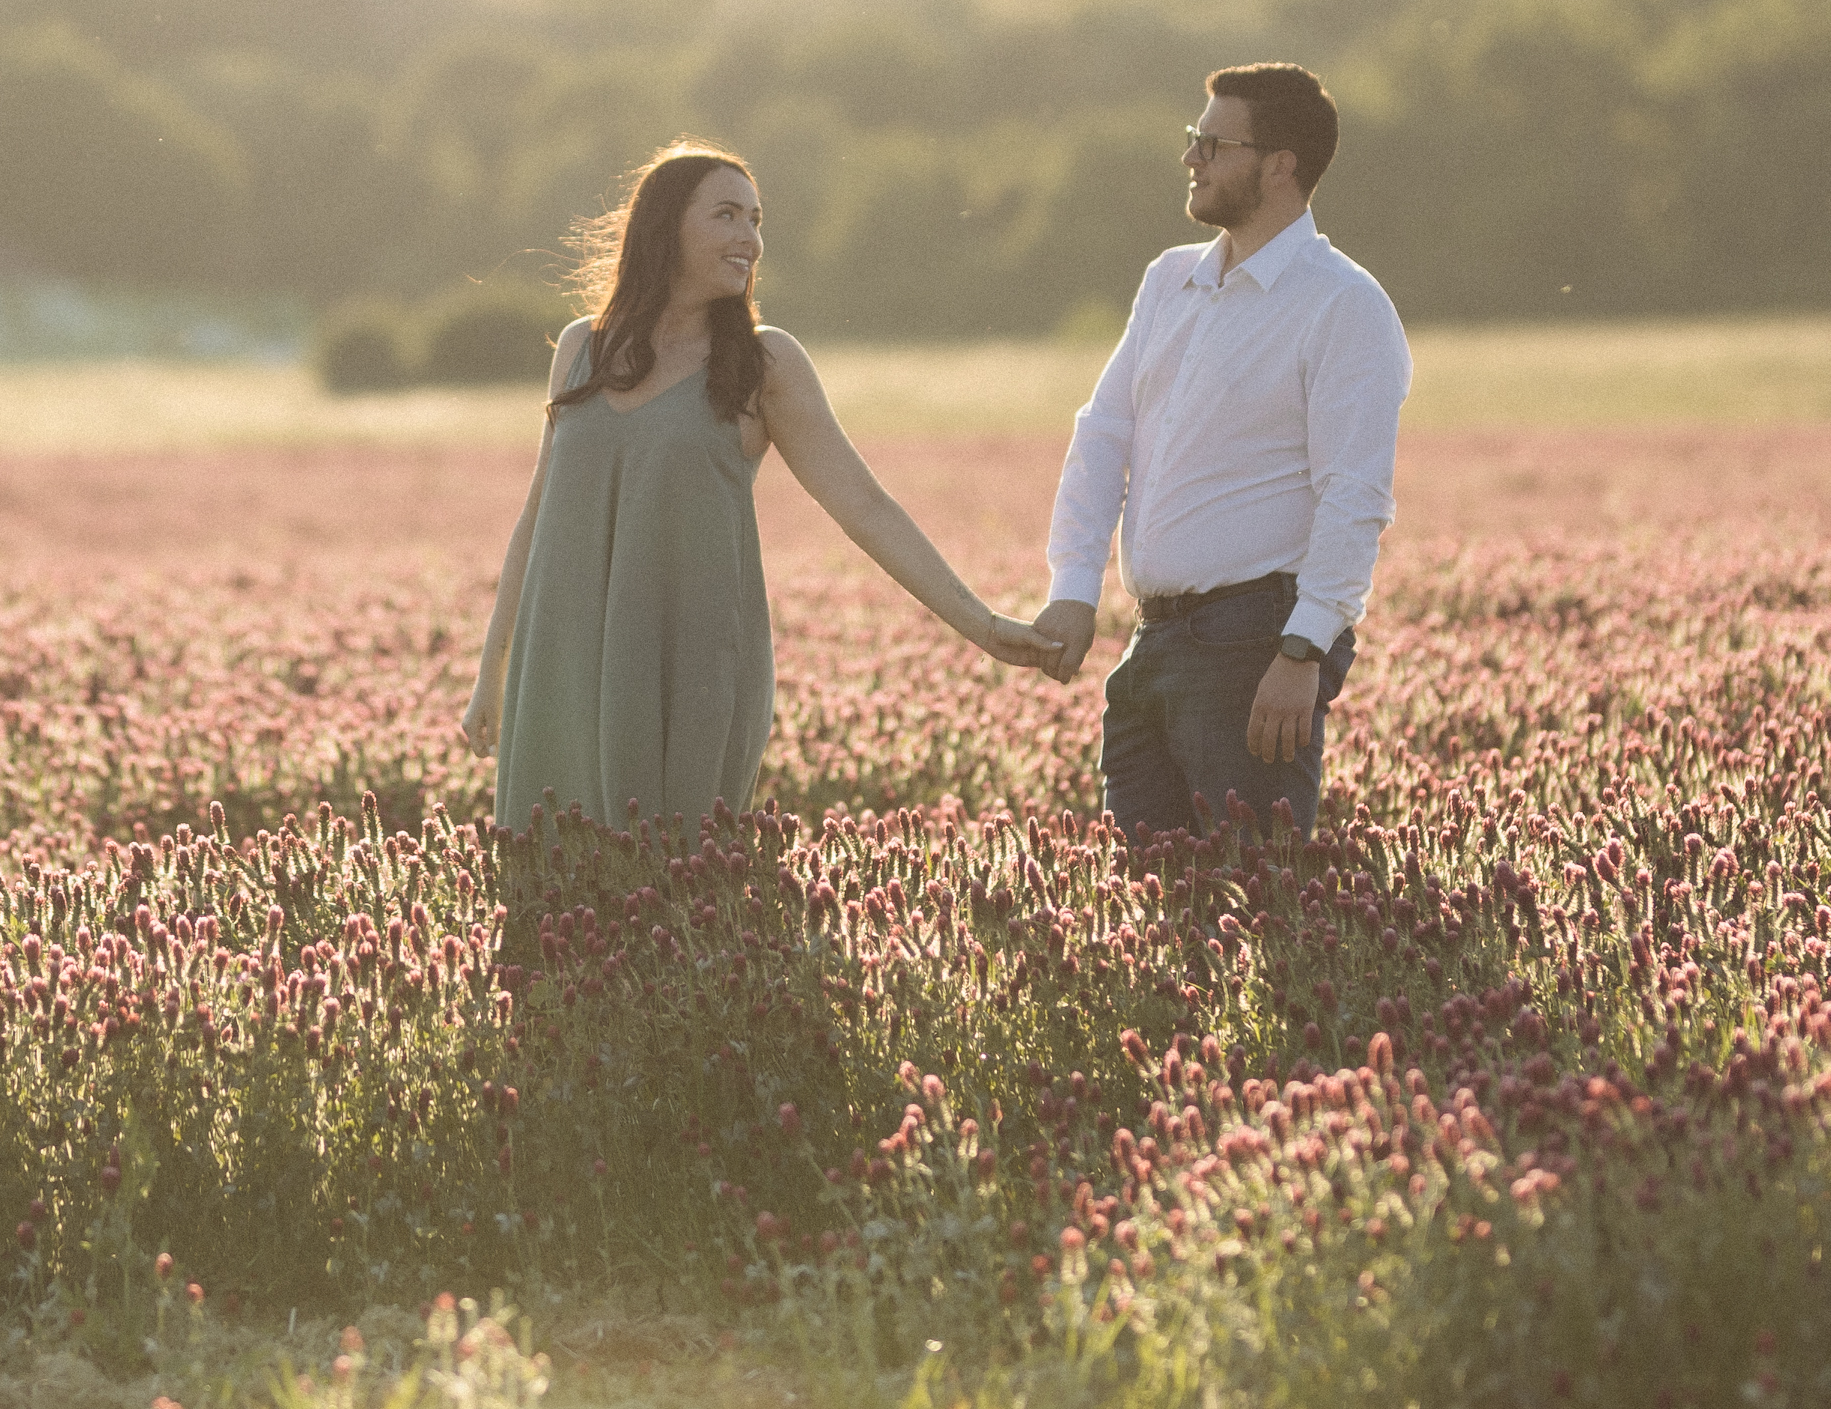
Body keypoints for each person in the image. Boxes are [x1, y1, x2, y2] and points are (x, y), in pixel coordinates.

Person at [459, 143, 1062, 827]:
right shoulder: (579, 349)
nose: (750, 237)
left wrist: (981, 624)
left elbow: (866, 507)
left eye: (755, 218)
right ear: (666, 226)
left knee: (670, 890)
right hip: (561, 668)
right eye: (726, 215)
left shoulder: (765, 361)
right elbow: (536, 519)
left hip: (688, 672)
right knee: (554, 896)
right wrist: (493, 674)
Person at [1031, 63, 1409, 839]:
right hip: (1153, 641)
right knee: (1148, 909)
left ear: (1280, 165)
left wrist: (1302, 652)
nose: (1191, 158)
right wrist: (1073, 583)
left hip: (1255, 644)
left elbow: (1353, 493)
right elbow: (1104, 433)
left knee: (1257, 899)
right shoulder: (1170, 280)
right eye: (1192, 139)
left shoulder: (1344, 304)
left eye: (1212, 142)